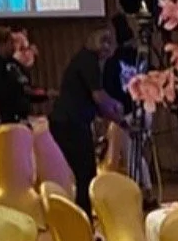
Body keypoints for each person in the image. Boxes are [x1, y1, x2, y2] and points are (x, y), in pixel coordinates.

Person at [49, 25, 123, 214]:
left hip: (67, 122)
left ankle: (83, 219)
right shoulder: (89, 61)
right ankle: (84, 221)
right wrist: (119, 111)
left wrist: (116, 117)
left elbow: (96, 104)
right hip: (70, 123)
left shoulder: (85, 60)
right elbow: (99, 97)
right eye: (103, 41)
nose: (107, 47)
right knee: (85, 174)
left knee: (84, 173)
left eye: (109, 42)